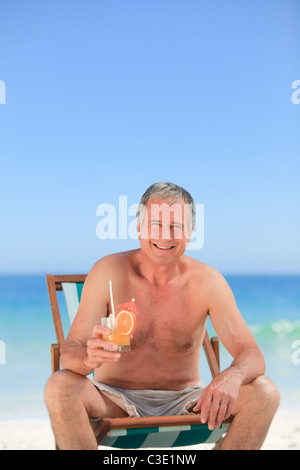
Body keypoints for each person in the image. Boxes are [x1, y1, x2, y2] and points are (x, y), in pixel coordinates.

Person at [44, 182, 280, 450]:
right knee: (59, 386)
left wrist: (233, 375)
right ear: (139, 227)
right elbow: (69, 355)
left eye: (176, 226)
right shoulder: (108, 271)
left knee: (265, 393)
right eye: (155, 224)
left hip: (188, 401)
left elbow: (252, 354)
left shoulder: (208, 282)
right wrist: (87, 358)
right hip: (113, 399)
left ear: (190, 232)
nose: (165, 236)